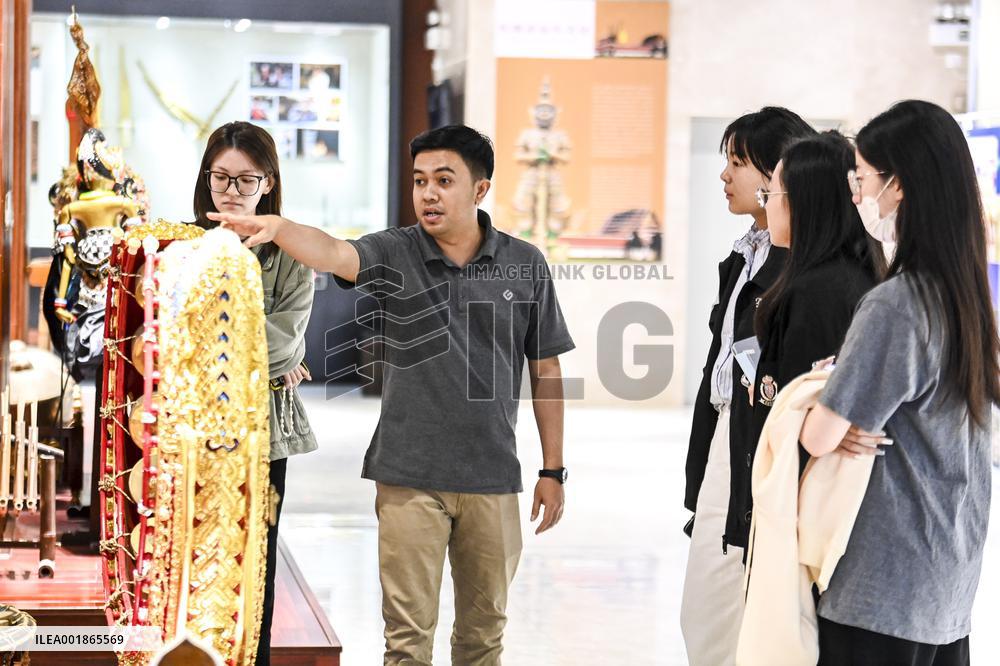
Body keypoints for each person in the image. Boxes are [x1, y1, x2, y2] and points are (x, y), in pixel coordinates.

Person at [210, 124, 575, 666]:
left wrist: (553, 470)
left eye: (444, 180)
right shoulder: (395, 251)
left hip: (493, 478)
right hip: (406, 478)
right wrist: (279, 226)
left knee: (483, 639)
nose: (428, 193)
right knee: (406, 644)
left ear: (480, 189)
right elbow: (333, 253)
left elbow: (545, 369)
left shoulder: (524, 263)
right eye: (420, 180)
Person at [800, 100, 1000, 665]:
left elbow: (820, 435)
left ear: (899, 186)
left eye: (860, 179)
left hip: (881, 585)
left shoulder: (895, 304)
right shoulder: (965, 299)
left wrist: (820, 396)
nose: (857, 195)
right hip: (948, 579)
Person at [681, 106, 815, 665]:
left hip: (763, 449)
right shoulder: (743, 255)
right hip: (726, 439)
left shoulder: (804, 263)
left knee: (742, 606)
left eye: (738, 162)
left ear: (777, 174)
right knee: (706, 606)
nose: (725, 175)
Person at [192, 121, 318, 666]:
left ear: (268, 183)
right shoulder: (184, 246)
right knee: (194, 556)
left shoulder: (293, 253)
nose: (232, 192)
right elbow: (164, 332)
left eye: (246, 180)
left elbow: (283, 345)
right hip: (191, 426)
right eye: (221, 178)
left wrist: (209, 341)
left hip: (263, 431)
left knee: (253, 560)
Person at [732, 130, 886, 548]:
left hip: (801, 517)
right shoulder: (832, 278)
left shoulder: (821, 292)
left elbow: (807, 417)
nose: (767, 207)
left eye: (772, 195)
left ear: (805, 202)